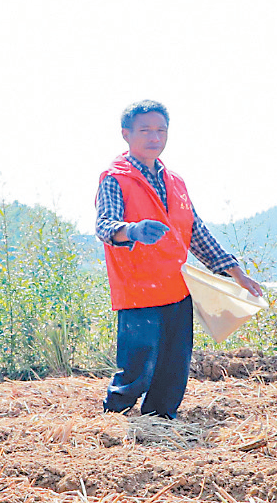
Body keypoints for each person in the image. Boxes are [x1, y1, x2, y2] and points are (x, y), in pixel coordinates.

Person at [96, 99, 262, 419]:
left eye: (161, 130)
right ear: (126, 134)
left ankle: (160, 421)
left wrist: (236, 273)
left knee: (174, 367)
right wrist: (131, 231)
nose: (154, 137)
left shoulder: (176, 183)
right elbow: (105, 227)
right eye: (145, 130)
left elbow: (196, 233)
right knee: (137, 368)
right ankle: (114, 417)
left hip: (176, 287)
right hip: (138, 291)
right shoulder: (115, 178)